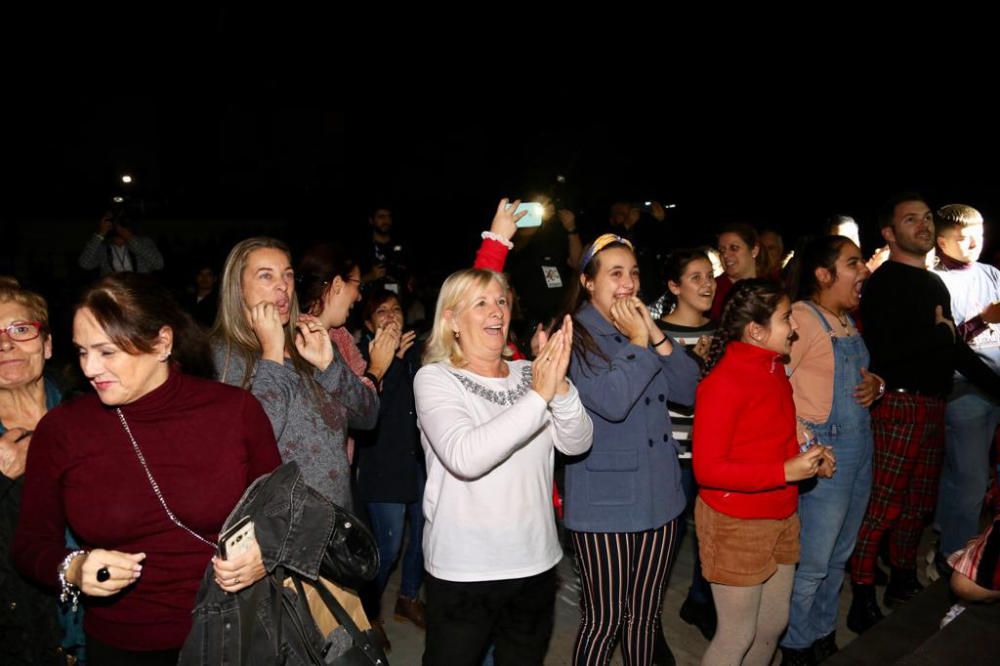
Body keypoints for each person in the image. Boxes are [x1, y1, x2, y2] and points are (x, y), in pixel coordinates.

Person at [13, 273, 281, 664]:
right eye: (82, 351)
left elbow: (282, 509)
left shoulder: (234, 411)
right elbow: (30, 544)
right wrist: (74, 568)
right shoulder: (63, 430)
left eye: (106, 352)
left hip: (234, 631)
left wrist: (266, 552)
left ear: (162, 343)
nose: (89, 368)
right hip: (122, 643)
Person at [414, 268, 593, 665]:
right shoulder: (435, 379)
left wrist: (559, 387)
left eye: (501, 300)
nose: (496, 311)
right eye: (481, 303)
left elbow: (578, 441)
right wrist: (539, 395)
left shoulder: (532, 372)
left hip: (535, 561)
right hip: (465, 568)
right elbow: (466, 456)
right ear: (452, 321)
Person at [563, 234, 701, 665]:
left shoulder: (643, 327)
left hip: (661, 496)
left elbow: (690, 391)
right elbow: (611, 401)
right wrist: (638, 342)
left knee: (644, 618)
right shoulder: (574, 334)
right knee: (604, 622)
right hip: (606, 503)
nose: (628, 283)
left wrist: (655, 333)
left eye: (634, 273)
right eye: (615, 273)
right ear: (588, 282)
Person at [694, 279, 833, 666]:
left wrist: (809, 454)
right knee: (736, 635)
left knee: (772, 627)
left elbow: (770, 434)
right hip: (736, 522)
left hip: (780, 513)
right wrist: (784, 470)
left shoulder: (772, 367)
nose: (794, 327)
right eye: (786, 318)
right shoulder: (724, 382)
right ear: (756, 331)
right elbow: (708, 468)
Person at [211, 237, 384, 508]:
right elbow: (253, 442)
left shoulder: (308, 338)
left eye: (288, 275)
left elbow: (368, 416)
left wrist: (330, 368)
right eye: (266, 276)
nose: (282, 285)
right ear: (238, 288)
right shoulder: (223, 355)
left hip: (335, 524)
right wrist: (271, 354)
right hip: (278, 534)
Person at [780, 236, 882, 665]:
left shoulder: (846, 322)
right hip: (827, 453)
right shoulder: (803, 317)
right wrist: (805, 437)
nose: (863, 272)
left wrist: (877, 384)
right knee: (814, 562)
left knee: (840, 555)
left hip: (860, 448)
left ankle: (823, 633)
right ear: (823, 275)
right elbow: (773, 382)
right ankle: (797, 645)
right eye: (853, 263)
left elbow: (851, 378)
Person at [0, 281, 84, 663]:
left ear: (47, 345)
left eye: (21, 329)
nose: (6, 344)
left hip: (106, 616)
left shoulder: (93, 409)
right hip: (22, 629)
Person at [354, 289, 426, 632]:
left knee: (425, 536)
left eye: (396, 309)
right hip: (383, 465)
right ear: (368, 323)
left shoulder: (415, 353)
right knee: (389, 544)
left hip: (418, 459)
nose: (392, 316)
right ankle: (369, 613)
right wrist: (392, 361)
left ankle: (407, 598)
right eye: (382, 311)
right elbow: (370, 409)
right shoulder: (360, 356)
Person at [655, 249, 718, 641]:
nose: (707, 284)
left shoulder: (721, 332)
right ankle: (647, 616)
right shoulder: (655, 334)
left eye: (710, 275)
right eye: (695, 277)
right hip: (671, 454)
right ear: (675, 286)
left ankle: (699, 600)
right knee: (667, 540)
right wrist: (692, 365)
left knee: (711, 535)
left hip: (712, 452)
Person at [78, 211, 164, 276]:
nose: (116, 225)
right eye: (112, 221)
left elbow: (158, 264)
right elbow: (85, 264)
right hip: (114, 294)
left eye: (120, 221)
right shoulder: (102, 247)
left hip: (139, 292)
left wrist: (130, 239)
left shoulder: (144, 242)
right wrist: (100, 234)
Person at [710, 223, 760, 320]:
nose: (726, 255)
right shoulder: (712, 289)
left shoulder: (770, 287)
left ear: (754, 250)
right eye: (722, 250)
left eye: (734, 248)